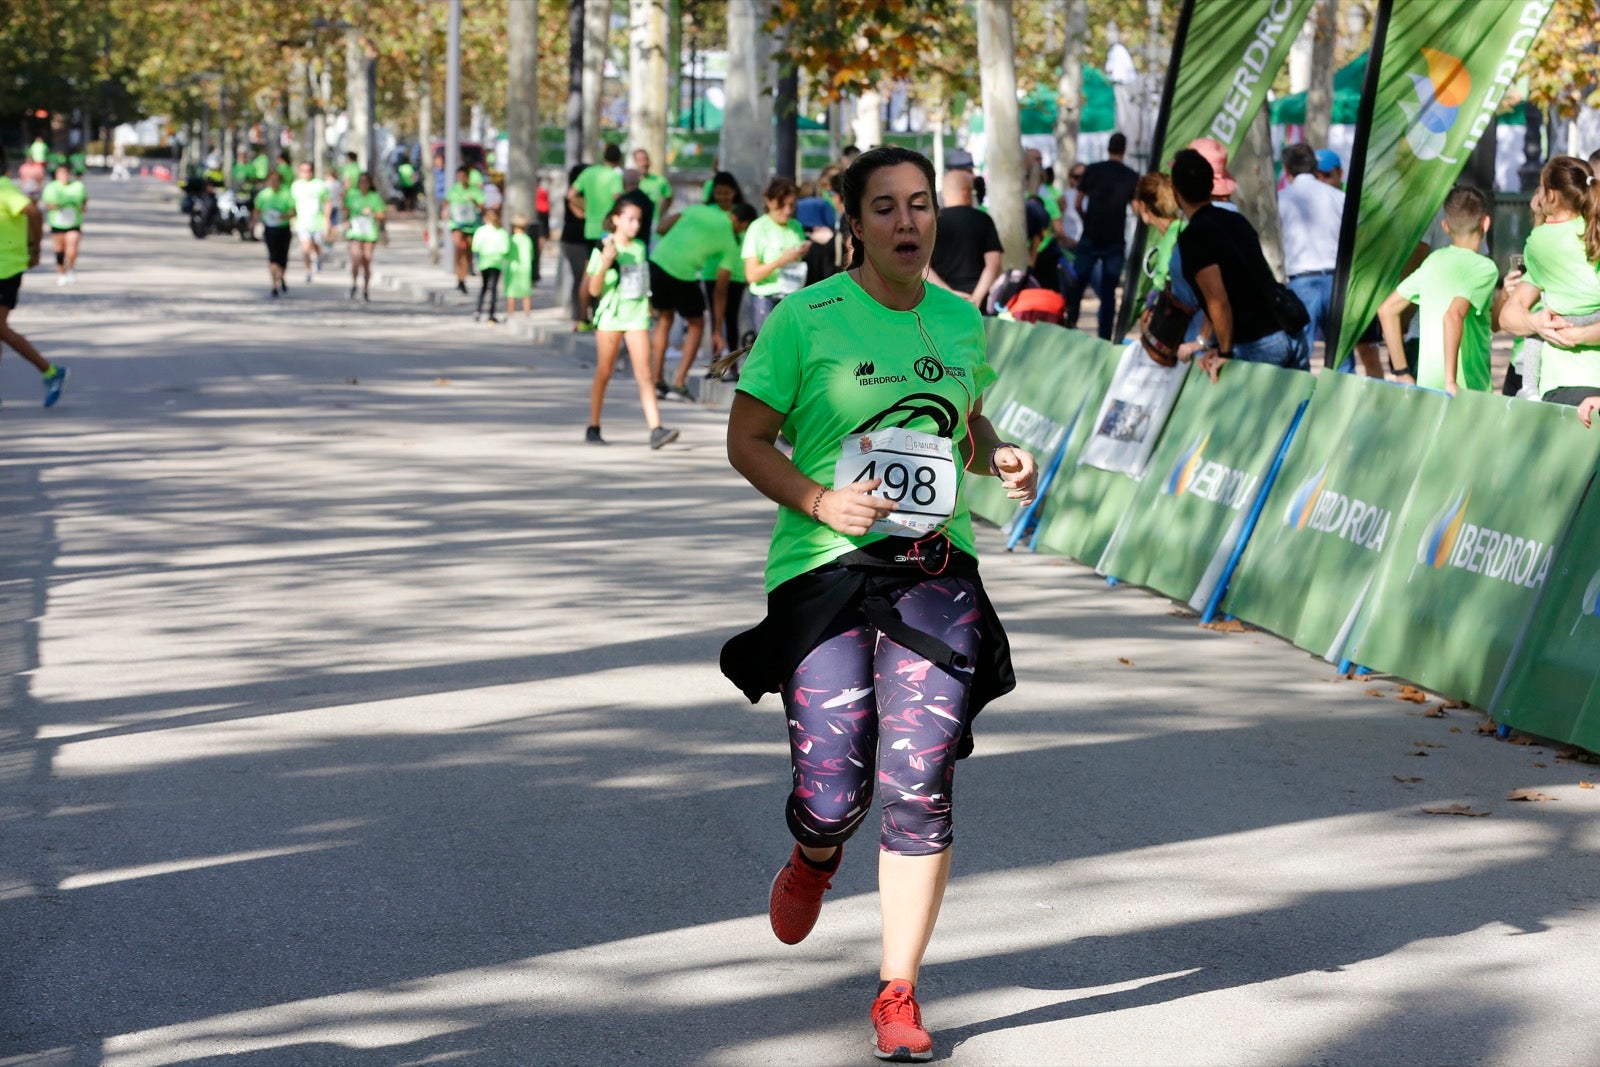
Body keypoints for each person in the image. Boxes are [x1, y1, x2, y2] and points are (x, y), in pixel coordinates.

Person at [721, 145, 1036, 1064]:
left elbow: (960, 420)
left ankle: (898, 989)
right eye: (887, 207)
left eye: (922, 205)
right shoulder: (805, 317)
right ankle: (815, 854)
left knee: (920, 776)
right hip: (824, 566)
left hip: (935, 568)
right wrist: (820, 499)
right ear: (853, 223)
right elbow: (747, 437)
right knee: (832, 789)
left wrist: (996, 452)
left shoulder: (959, 320)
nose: (909, 222)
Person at [1169, 148, 1308, 378]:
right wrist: (1206, 342)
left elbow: (1217, 300)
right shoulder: (1235, 220)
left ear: (1176, 192)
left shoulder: (1194, 237)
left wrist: (1225, 352)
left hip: (1258, 343)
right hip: (1291, 331)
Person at [1377, 186, 1501, 395]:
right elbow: (1453, 315)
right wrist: (1450, 382)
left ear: (1445, 226)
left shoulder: (1432, 261)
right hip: (1468, 390)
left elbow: (1387, 310)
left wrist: (1401, 372)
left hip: (1428, 389)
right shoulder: (1484, 267)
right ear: (1486, 223)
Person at [1500, 155, 1600, 404]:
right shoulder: (1591, 233)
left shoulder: (1538, 243)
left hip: (1562, 387)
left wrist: (1574, 334)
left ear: (1551, 195)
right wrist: (1536, 322)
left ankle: (1529, 388)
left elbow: (1508, 316)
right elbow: (1507, 316)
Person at [585, 199, 678, 449]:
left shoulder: (638, 247)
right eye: (630, 219)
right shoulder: (603, 247)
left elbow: (641, 280)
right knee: (605, 371)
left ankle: (656, 428)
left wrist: (649, 307)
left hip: (636, 315)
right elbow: (594, 289)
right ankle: (593, 425)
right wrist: (606, 261)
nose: (635, 225)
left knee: (644, 372)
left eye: (638, 220)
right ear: (616, 219)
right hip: (610, 316)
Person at [648, 196, 751, 397]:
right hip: (682, 273)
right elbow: (720, 290)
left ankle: (657, 381)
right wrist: (717, 330)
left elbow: (661, 228)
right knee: (696, 323)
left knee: (664, 319)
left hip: (657, 261)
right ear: (743, 224)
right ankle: (679, 383)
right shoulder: (730, 242)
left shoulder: (698, 209)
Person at [0, 146, 68, 407]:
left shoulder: (4, 188)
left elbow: (34, 212)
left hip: (6, 267)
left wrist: (35, 248)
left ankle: (51, 371)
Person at [1277, 143, 1346, 367]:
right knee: (1341, 356)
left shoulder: (1280, 199)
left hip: (1302, 283)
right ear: (1315, 167)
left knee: (1299, 355)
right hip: (1337, 282)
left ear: (1286, 170)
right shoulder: (1338, 197)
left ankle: (1300, 400)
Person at [1066, 131, 1140, 340]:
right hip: (1114, 239)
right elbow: (1136, 209)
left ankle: (1070, 324)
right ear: (1124, 150)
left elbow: (1079, 202)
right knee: (1108, 294)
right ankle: (1105, 337)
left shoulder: (1092, 170)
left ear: (1108, 148)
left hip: (1090, 236)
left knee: (1078, 285)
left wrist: (1086, 218)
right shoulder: (1130, 176)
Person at [927, 168, 1003, 312]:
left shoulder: (931, 222)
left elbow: (923, 267)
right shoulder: (984, 219)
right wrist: (977, 298)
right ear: (966, 192)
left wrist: (949, 294)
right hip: (977, 302)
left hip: (941, 301)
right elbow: (994, 264)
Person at [742, 177, 809, 335]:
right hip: (766, 299)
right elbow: (751, 275)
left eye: (791, 205)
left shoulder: (795, 226)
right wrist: (781, 261)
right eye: (781, 205)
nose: (787, 211)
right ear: (769, 201)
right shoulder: (758, 228)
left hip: (792, 296)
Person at [559, 163, 593, 330]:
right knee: (581, 278)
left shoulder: (587, 195)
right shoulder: (574, 196)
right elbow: (581, 215)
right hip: (575, 241)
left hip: (581, 241)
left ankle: (586, 315)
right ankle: (580, 317)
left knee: (586, 278)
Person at [40, 163, 86, 286]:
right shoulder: (51, 187)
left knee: (72, 249)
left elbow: (84, 201)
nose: (63, 176)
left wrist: (81, 207)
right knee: (59, 250)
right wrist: (63, 204)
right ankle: (61, 273)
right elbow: (49, 204)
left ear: (69, 174)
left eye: (66, 173)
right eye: (60, 173)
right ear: (56, 175)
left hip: (74, 223)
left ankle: (70, 268)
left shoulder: (78, 186)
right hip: (57, 223)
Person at [252, 168, 296, 298]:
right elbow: (256, 210)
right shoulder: (263, 195)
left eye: (276, 180)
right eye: (271, 180)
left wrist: (285, 216)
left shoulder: (286, 194)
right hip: (270, 229)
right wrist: (254, 224)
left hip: (283, 228)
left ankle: (281, 276)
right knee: (273, 256)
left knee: (283, 257)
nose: (274, 183)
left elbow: (294, 211)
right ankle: (274, 285)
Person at [344, 172, 385, 302]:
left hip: (369, 233)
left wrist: (372, 212)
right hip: (355, 233)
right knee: (356, 258)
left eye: (366, 181)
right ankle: (354, 283)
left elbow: (381, 215)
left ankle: (365, 289)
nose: (363, 184)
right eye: (361, 181)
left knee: (367, 260)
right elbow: (345, 209)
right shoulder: (352, 195)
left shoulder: (375, 197)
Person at [443, 165, 484, 294]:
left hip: (471, 225)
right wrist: (444, 211)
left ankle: (463, 278)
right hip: (457, 224)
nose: (461, 178)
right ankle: (459, 277)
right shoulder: (454, 190)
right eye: (459, 176)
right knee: (459, 249)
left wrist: (475, 202)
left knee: (468, 253)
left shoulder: (475, 190)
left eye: (464, 176)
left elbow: (483, 205)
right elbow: (446, 202)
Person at [290, 162, 331, 285]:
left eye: (308, 170)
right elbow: (291, 204)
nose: (305, 173)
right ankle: (308, 271)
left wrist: (327, 220)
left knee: (317, 245)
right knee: (306, 248)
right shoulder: (296, 186)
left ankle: (317, 258)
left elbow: (327, 202)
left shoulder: (320, 184)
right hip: (303, 222)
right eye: (303, 170)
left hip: (318, 222)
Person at [471, 206, 511, 324]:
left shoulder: (481, 231)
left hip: (484, 262)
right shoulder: (502, 232)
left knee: (484, 287)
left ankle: (478, 311)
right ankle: (491, 314)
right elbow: (505, 249)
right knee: (493, 288)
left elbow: (475, 247)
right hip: (497, 263)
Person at [505, 214, 536, 319]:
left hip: (513, 268)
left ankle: (511, 314)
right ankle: (527, 314)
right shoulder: (528, 240)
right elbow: (531, 255)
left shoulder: (511, 239)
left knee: (511, 293)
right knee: (526, 293)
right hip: (526, 269)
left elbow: (506, 253)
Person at [617, 169, 655, 241]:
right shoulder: (647, 200)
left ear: (623, 182)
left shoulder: (623, 201)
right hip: (644, 241)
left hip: (626, 243)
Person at [633, 148, 673, 217]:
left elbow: (669, 198)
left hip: (653, 223)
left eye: (646, 159)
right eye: (640, 160)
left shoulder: (660, 180)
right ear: (635, 162)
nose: (644, 163)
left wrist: (660, 213)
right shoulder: (630, 182)